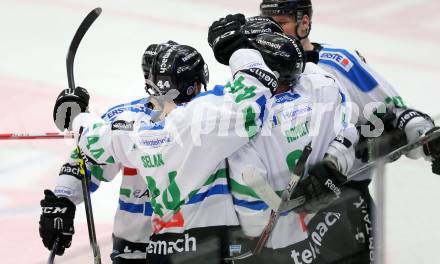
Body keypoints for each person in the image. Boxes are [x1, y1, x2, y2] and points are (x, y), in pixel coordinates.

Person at [47, 14, 302, 263]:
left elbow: (91, 146)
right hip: (206, 245)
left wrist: (61, 199)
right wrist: (242, 50)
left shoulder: (128, 124)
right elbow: (250, 98)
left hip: (156, 247)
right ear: (197, 83)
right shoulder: (206, 117)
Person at [258, 0, 440, 262]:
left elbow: (395, 114)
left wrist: (428, 142)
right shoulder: (260, 71)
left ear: (304, 23)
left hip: (345, 205)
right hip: (286, 215)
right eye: (267, 23)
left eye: (280, 23)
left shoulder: (340, 62)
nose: (272, 32)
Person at [39, 41, 208, 263]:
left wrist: (81, 121)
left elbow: (90, 151)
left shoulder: (126, 118)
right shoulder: (217, 115)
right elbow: (86, 162)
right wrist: (62, 199)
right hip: (151, 247)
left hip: (190, 245)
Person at [226, 30, 362, 264]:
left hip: (281, 247)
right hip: (331, 227)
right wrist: (332, 166)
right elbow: (349, 133)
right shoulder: (323, 87)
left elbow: (253, 215)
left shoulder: (243, 120)